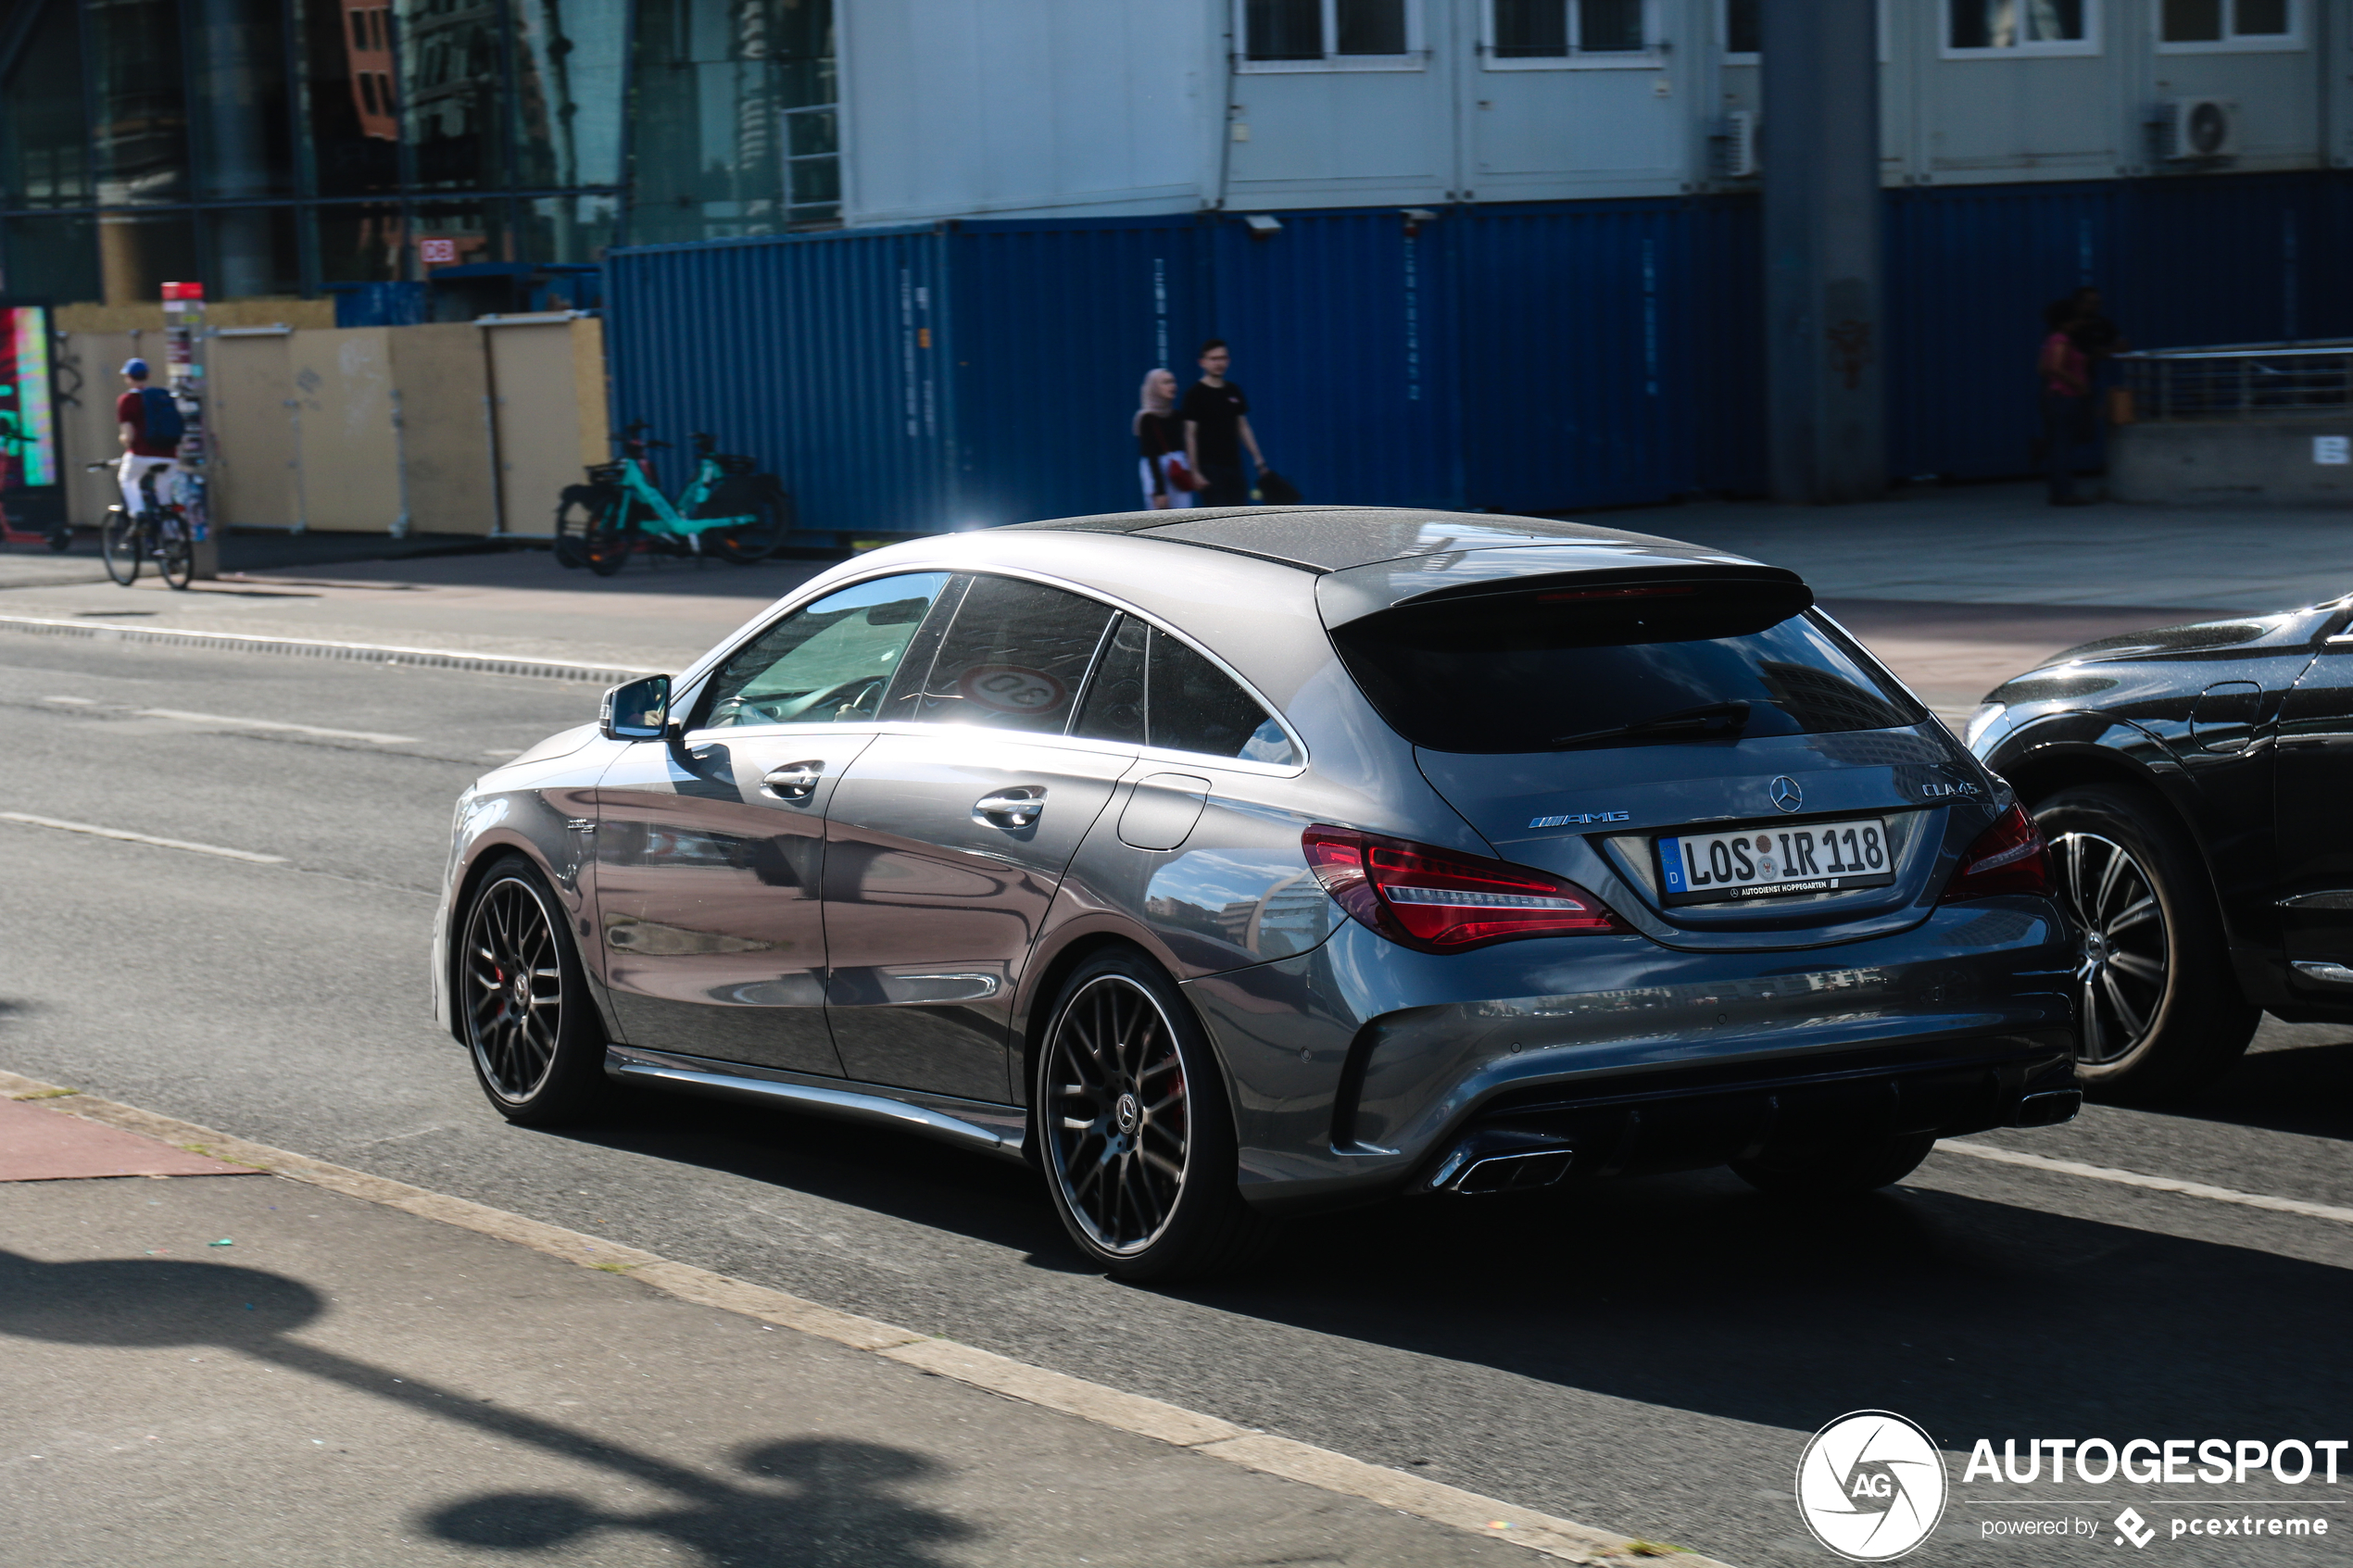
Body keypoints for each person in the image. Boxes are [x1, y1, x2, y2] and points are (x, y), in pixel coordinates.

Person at [1180, 339, 1268, 508]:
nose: (1219, 363)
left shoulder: (1233, 391)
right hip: (1209, 468)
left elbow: (1243, 427)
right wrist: (1195, 471)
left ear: (1228, 360)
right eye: (1213, 359)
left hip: (1233, 465)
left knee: (1238, 514)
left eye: (1222, 358)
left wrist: (1259, 460)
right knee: (1217, 517)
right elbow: (1190, 434)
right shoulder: (1194, 394)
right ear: (1202, 362)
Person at [2038, 299, 2095, 507]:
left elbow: (2043, 369)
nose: (2079, 322)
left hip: (2054, 398)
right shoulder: (2063, 340)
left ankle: (2059, 491)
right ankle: (2065, 493)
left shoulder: (2051, 339)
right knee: (2063, 447)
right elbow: (2056, 367)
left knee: (2057, 446)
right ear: (2066, 321)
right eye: (2076, 318)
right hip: (2066, 398)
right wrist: (2080, 385)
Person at [114, 358, 182, 517]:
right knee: (164, 500)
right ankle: (170, 531)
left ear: (128, 377)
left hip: (142, 454)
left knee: (127, 479)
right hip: (170, 456)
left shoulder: (127, 400)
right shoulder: (163, 396)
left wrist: (123, 440)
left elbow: (128, 436)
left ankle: (138, 514)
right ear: (148, 376)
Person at [1134, 368, 1195, 509]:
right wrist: (1159, 491)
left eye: (1173, 382)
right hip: (1157, 472)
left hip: (1178, 470)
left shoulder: (1177, 416)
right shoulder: (1146, 418)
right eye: (1166, 382)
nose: (1172, 386)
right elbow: (1151, 455)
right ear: (1154, 387)